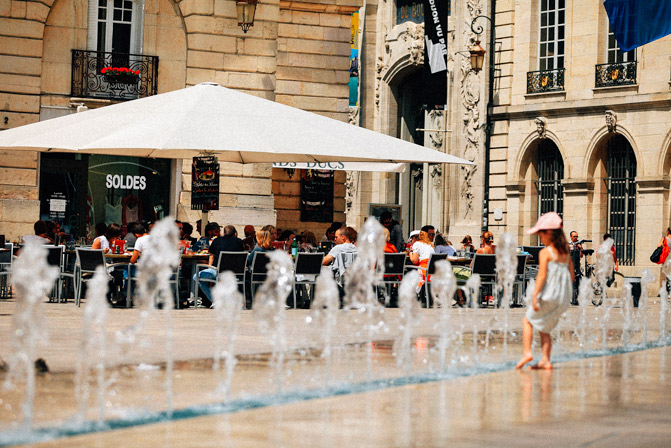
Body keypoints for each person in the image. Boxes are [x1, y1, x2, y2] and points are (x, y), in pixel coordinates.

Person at [516, 212, 573, 370]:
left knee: (527, 321)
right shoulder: (566, 251)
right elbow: (572, 274)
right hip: (563, 297)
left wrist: (535, 296)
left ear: (548, 233)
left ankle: (527, 353)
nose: (540, 239)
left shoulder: (545, 252)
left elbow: (541, 276)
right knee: (544, 327)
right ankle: (545, 360)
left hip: (549, 295)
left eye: (540, 234)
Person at [195, 225, 245, 305]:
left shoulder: (217, 241)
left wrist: (209, 268)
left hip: (219, 272)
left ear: (223, 233)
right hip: (236, 273)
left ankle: (214, 299)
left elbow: (211, 256)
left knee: (196, 276)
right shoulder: (240, 242)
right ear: (235, 233)